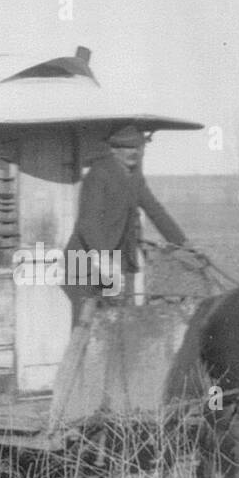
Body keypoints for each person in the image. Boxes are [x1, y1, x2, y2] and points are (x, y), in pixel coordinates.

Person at [61, 124, 189, 326]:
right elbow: (88, 223)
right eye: (127, 147)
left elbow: (155, 210)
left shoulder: (134, 176)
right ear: (113, 150)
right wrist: (105, 260)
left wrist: (183, 244)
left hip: (113, 260)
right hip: (82, 260)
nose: (134, 152)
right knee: (86, 324)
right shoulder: (98, 174)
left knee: (115, 321)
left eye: (138, 147)